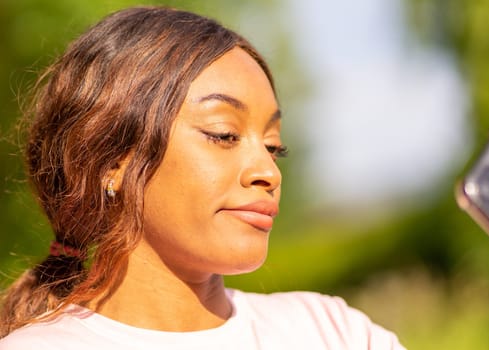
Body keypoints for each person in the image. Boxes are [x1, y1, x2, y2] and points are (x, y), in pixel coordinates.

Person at [0, 6, 405, 349]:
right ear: (111, 161)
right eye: (224, 134)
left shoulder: (332, 332)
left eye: (273, 145)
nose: (268, 171)